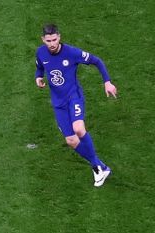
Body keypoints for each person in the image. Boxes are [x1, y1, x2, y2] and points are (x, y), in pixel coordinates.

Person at [35, 23, 118, 187]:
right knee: (71, 141)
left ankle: (97, 167)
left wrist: (107, 82)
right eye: (48, 40)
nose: (51, 43)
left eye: (54, 39)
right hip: (58, 103)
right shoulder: (40, 52)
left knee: (79, 129)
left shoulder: (72, 53)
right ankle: (100, 167)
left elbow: (97, 61)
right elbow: (39, 67)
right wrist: (38, 77)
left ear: (59, 37)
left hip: (74, 97)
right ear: (43, 39)